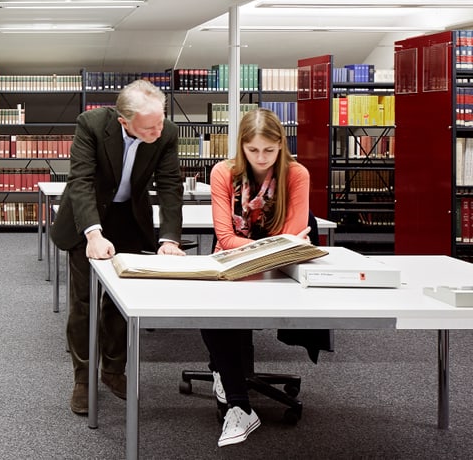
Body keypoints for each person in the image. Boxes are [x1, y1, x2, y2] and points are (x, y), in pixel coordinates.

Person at [51, 79, 185, 416]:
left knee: (120, 302)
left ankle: (113, 371)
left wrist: (169, 238)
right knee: (84, 301)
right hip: (88, 218)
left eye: (160, 121)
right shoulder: (92, 124)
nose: (158, 130)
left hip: (129, 218)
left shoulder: (165, 132)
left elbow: (170, 185)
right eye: (149, 126)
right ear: (124, 121)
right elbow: (80, 181)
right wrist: (93, 235)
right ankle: (83, 378)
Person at [204, 107, 311, 447]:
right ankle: (240, 406)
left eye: (269, 149)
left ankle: (223, 372)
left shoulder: (296, 174)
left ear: (281, 145)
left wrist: (265, 248)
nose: (262, 158)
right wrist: (270, 246)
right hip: (237, 264)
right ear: (241, 147)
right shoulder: (223, 173)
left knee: (226, 318)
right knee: (213, 308)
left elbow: (292, 237)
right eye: (253, 150)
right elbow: (224, 237)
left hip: (282, 270)